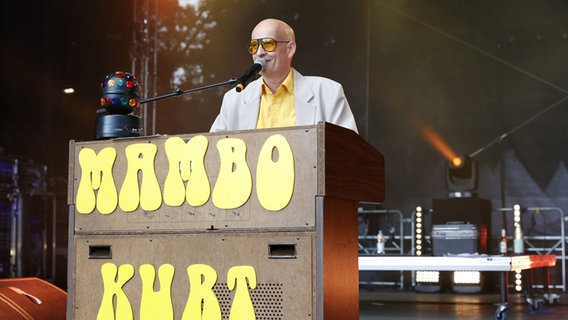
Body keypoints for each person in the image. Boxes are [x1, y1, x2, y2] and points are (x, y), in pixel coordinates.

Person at [210, 18, 358, 133]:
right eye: (254, 45)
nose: (259, 52)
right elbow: (213, 154)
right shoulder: (234, 99)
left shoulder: (328, 92)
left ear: (290, 49)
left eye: (268, 44)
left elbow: (348, 154)